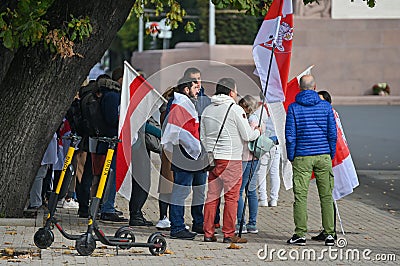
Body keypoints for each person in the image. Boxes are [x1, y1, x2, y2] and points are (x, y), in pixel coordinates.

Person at [201, 78, 260, 243]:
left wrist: (211, 150)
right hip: (232, 159)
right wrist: (258, 132)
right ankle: (228, 234)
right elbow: (248, 135)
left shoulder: (207, 110)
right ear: (231, 92)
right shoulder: (235, 110)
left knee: (212, 197)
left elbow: (203, 136)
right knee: (231, 197)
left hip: (213, 160)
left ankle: (208, 233)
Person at [285, 75, 337, 247]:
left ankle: (300, 234)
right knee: (326, 196)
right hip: (323, 155)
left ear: (300, 88)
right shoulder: (326, 107)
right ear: (315, 87)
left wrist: (291, 155)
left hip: (302, 156)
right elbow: (332, 133)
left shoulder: (293, 108)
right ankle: (330, 234)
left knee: (300, 196)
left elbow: (290, 136)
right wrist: (330, 153)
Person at [162, 78, 207, 240]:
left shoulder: (186, 103)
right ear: (186, 89)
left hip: (189, 154)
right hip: (184, 155)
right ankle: (177, 227)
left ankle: (181, 224)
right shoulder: (180, 104)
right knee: (181, 192)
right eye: (195, 87)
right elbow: (176, 130)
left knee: (186, 191)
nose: (198, 90)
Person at [236, 95, 260, 234]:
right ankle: (252, 223)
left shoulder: (250, 119)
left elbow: (248, 135)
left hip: (245, 157)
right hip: (255, 158)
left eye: (242, 105)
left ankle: (241, 223)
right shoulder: (256, 118)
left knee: (239, 191)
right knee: (251, 191)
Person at [255, 94, 281, 208]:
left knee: (262, 171)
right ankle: (274, 199)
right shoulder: (278, 110)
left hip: (264, 143)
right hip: (276, 143)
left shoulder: (260, 109)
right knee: (274, 172)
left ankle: (263, 199)